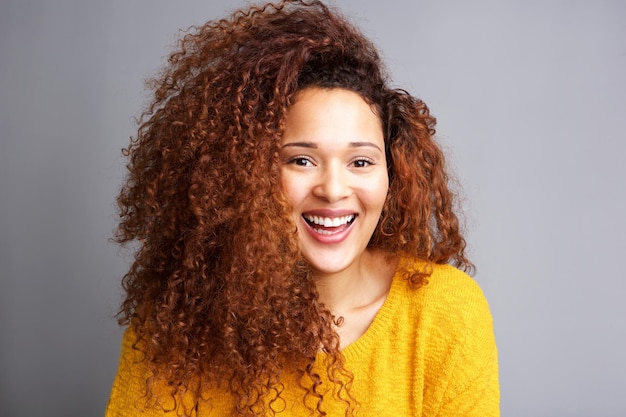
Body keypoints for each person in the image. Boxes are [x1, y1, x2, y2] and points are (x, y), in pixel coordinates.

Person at [105, 0, 499, 416]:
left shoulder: (444, 312)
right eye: (301, 160)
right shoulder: (179, 322)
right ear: (247, 173)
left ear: (393, 175)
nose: (332, 190)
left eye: (360, 162)